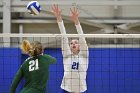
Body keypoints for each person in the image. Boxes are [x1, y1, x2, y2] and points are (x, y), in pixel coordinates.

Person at [52, 5, 89, 93]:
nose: (73, 44)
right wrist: (59, 18)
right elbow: (64, 36)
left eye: (76, 42)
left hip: (80, 90)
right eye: (71, 43)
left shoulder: (84, 55)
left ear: (80, 46)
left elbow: (81, 37)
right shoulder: (67, 55)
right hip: (66, 89)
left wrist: (76, 21)